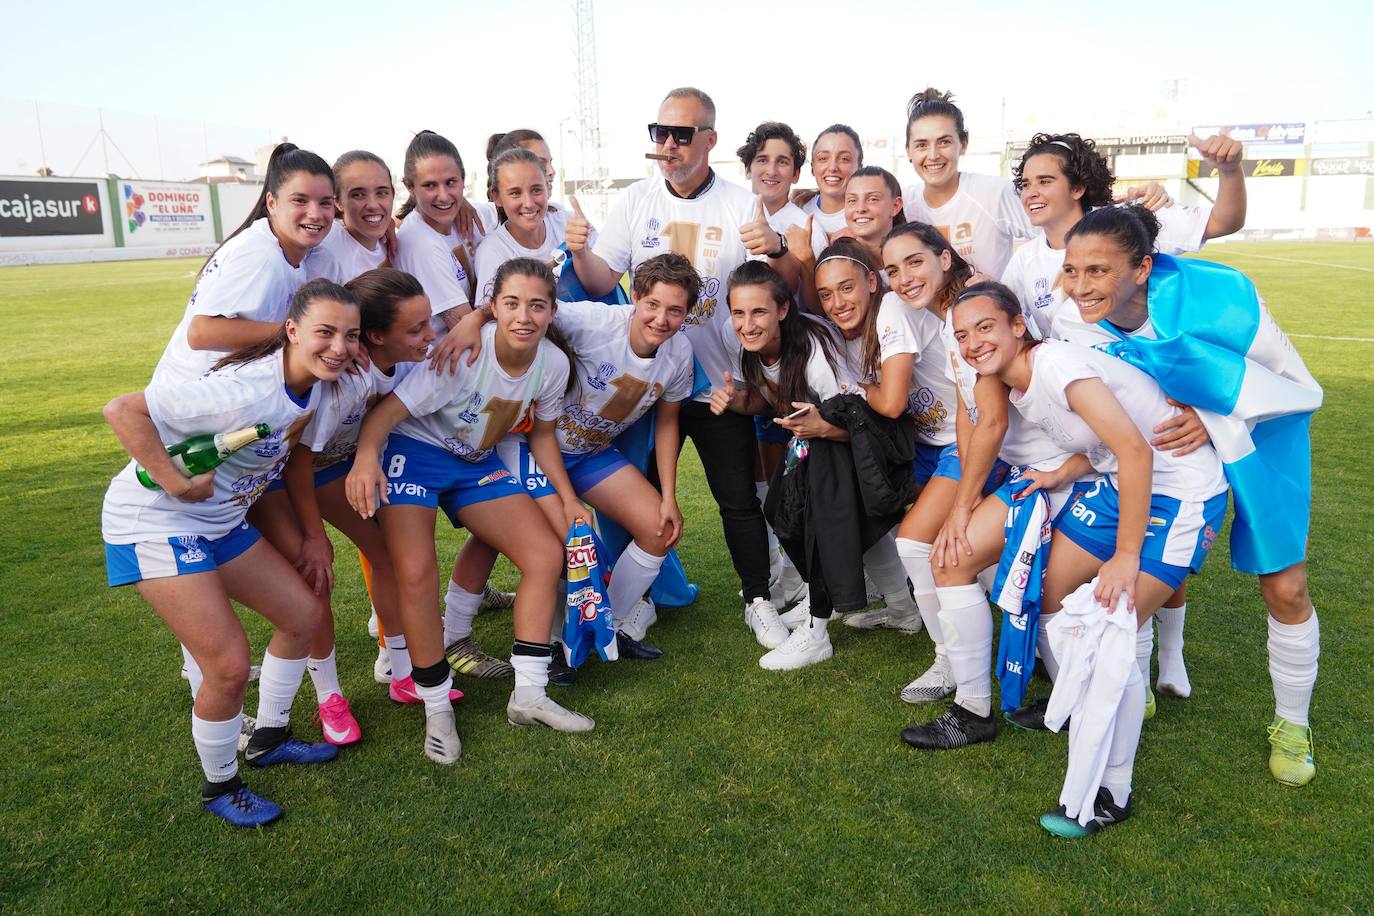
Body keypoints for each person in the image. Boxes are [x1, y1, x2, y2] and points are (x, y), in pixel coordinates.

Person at [923, 282, 1228, 839]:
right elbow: (1104, 448)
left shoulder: (1056, 366)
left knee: (1109, 627)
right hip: (1117, 482)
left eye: (985, 327)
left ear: (1018, 325)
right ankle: (1074, 704)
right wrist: (1061, 473)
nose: (972, 343)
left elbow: (1136, 450)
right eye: (962, 335)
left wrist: (1126, 556)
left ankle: (1112, 790)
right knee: (1052, 602)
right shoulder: (1015, 381)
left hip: (1180, 492)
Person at [1054, 205, 1323, 787]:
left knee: (1286, 586)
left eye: (1098, 271)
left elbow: (1298, 387)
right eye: (1072, 270)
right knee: (1143, 564)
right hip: (1163, 454)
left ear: (1143, 268)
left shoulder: (1222, 300)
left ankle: (1293, 722)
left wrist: (1213, 415)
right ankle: (1147, 671)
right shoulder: (1071, 320)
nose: (1080, 287)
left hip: (1259, 432)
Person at [100, 280, 360, 826]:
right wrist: (175, 481)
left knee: (303, 615)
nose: (339, 347)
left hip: (219, 523)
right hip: (154, 523)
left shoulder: (315, 385)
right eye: (325, 332)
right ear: (292, 331)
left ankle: (269, 737)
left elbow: (290, 456)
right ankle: (220, 785)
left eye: (350, 335)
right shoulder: (243, 391)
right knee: (228, 666)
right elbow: (122, 409)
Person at [1002, 132, 1247, 700]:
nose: (1032, 192)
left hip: (1164, 424)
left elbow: (1223, 222)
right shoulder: (1026, 262)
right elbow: (1023, 336)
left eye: (1046, 180)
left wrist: (1229, 170)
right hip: (1100, 428)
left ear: (1078, 186)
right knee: (1113, 564)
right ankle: (1127, 670)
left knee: (1153, 548)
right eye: (1025, 183)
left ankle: (1169, 655)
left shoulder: (1128, 225)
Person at [565, 87, 799, 643]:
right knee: (640, 498)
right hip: (646, 386)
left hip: (719, 384)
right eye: (659, 132)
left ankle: (757, 599)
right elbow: (599, 282)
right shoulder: (635, 199)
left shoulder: (742, 203)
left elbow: (778, 291)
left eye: (682, 134)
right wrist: (579, 250)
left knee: (737, 499)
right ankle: (639, 601)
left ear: (710, 140)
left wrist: (778, 247)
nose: (668, 144)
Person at [346, 258, 593, 765]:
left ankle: (529, 695)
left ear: (552, 312)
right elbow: (387, 414)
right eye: (511, 303)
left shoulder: (553, 364)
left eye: (537, 305)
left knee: (545, 557)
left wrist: (568, 498)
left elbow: (544, 436)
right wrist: (367, 457)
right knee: (417, 573)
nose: (524, 316)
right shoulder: (463, 352)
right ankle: (436, 707)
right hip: (414, 451)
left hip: (474, 461)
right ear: (493, 306)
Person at [441, 253, 699, 658]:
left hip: (589, 453)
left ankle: (606, 627)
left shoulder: (679, 353)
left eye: (675, 310)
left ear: (687, 314)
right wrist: (474, 320)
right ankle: (453, 634)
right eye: (652, 304)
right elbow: (529, 308)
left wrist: (669, 495)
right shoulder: (592, 321)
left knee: (657, 528)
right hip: (528, 444)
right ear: (635, 296)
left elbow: (667, 422)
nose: (661, 319)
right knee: (521, 537)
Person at [711, 260, 891, 669]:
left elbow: (859, 418)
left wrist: (821, 429)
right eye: (739, 312)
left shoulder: (811, 348)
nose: (747, 324)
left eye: (759, 311)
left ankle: (817, 629)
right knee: (779, 510)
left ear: (782, 309)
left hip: (862, 442)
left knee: (819, 521)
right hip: (817, 440)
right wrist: (736, 400)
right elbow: (765, 398)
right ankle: (897, 607)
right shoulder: (742, 342)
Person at [152, 142, 337, 386]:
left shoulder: (286, 248)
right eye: (300, 200)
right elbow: (201, 332)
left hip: (217, 389)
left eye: (325, 202)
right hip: (194, 394)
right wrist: (297, 333)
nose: (315, 213)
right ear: (272, 203)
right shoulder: (261, 256)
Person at [901, 88, 1033, 277]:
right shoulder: (902, 203)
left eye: (944, 142)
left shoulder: (994, 192)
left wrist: (1009, 286)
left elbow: (1056, 238)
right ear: (908, 150)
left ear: (963, 143)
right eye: (921, 145)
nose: (933, 155)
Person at [393, 130, 476, 335]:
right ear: (409, 186)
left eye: (450, 182)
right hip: (444, 352)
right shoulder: (420, 243)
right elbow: (464, 327)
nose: (444, 196)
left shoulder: (461, 218)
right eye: (430, 185)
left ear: (462, 179)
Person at [471, 146, 578, 305]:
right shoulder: (492, 252)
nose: (528, 203)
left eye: (536, 190)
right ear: (497, 197)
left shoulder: (570, 224)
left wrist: (583, 253)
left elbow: (603, 284)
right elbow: (490, 314)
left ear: (547, 188)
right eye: (515, 193)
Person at [319, 150, 394, 282]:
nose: (373, 205)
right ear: (338, 201)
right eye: (358, 195)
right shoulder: (327, 255)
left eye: (381, 193)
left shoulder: (395, 243)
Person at [796, 124, 863, 256]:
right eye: (823, 158)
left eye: (844, 159)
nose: (832, 168)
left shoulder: (871, 217)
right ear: (812, 167)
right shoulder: (799, 210)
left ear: (860, 167)